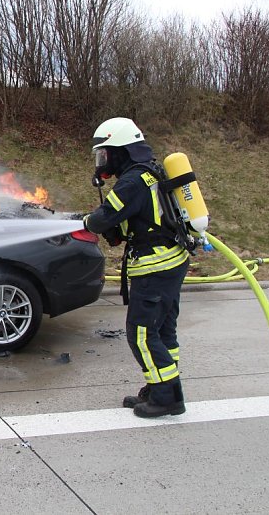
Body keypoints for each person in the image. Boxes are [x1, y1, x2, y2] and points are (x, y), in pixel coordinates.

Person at [82, 117, 190, 418]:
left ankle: (167, 398)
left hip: (155, 265)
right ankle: (161, 389)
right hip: (172, 262)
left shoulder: (132, 182)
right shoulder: (150, 173)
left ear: (121, 150)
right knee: (164, 330)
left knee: (141, 333)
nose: (102, 160)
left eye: (105, 153)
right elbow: (123, 226)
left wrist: (86, 222)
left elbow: (102, 218)